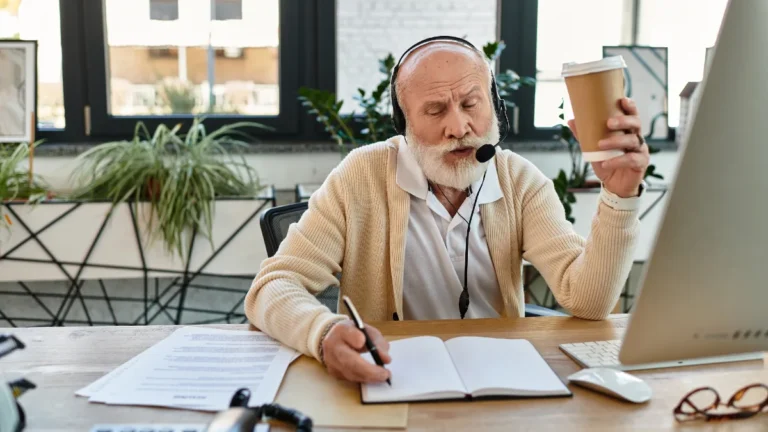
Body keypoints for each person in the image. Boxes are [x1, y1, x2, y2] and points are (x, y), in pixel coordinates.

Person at [244, 36, 649, 384]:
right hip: (391, 378)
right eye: (436, 111)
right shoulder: (360, 177)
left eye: (471, 104)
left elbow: (590, 302)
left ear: (494, 106)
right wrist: (324, 333)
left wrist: (618, 196)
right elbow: (273, 286)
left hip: (501, 380)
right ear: (404, 124)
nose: (459, 127)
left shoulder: (520, 181)